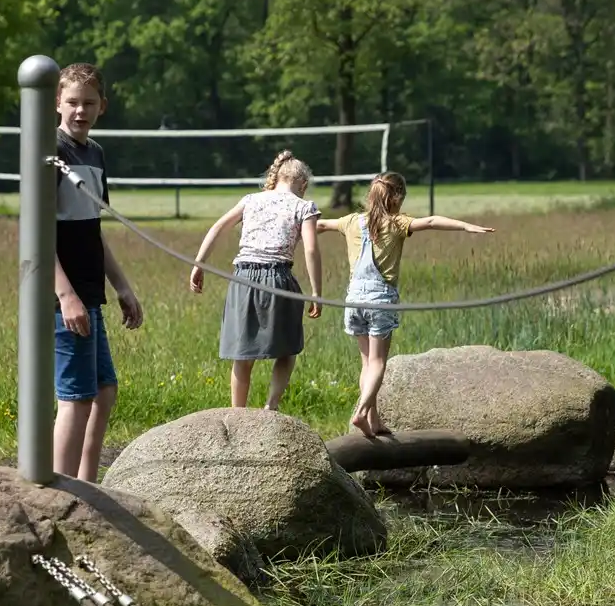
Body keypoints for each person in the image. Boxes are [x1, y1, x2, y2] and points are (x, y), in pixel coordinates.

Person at [320, 173, 494, 438]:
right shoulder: (396, 223)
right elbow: (432, 221)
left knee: (366, 364)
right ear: (397, 197)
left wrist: (291, 229)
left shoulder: (352, 221)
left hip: (353, 299)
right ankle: (361, 412)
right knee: (378, 362)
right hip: (380, 300)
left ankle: (373, 420)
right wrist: (466, 226)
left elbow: (320, 224)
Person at [53, 63, 144, 482]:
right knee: (76, 398)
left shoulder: (94, 154)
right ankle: (60, 492)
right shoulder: (51, 153)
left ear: (102, 106)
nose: (80, 111)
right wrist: (64, 295)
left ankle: (88, 486)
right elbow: (34, 236)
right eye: (72, 102)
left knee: (104, 390)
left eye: (88, 103)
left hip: (90, 292)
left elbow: (93, 228)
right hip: (63, 296)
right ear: (57, 103)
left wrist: (122, 286)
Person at [188, 151, 324, 411]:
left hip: (243, 279)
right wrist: (316, 292)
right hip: (278, 278)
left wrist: (199, 264)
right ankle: (271, 406)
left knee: (243, 353)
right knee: (288, 348)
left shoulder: (250, 200)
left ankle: (237, 412)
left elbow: (217, 227)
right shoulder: (303, 206)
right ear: (303, 184)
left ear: (277, 177)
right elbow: (310, 249)